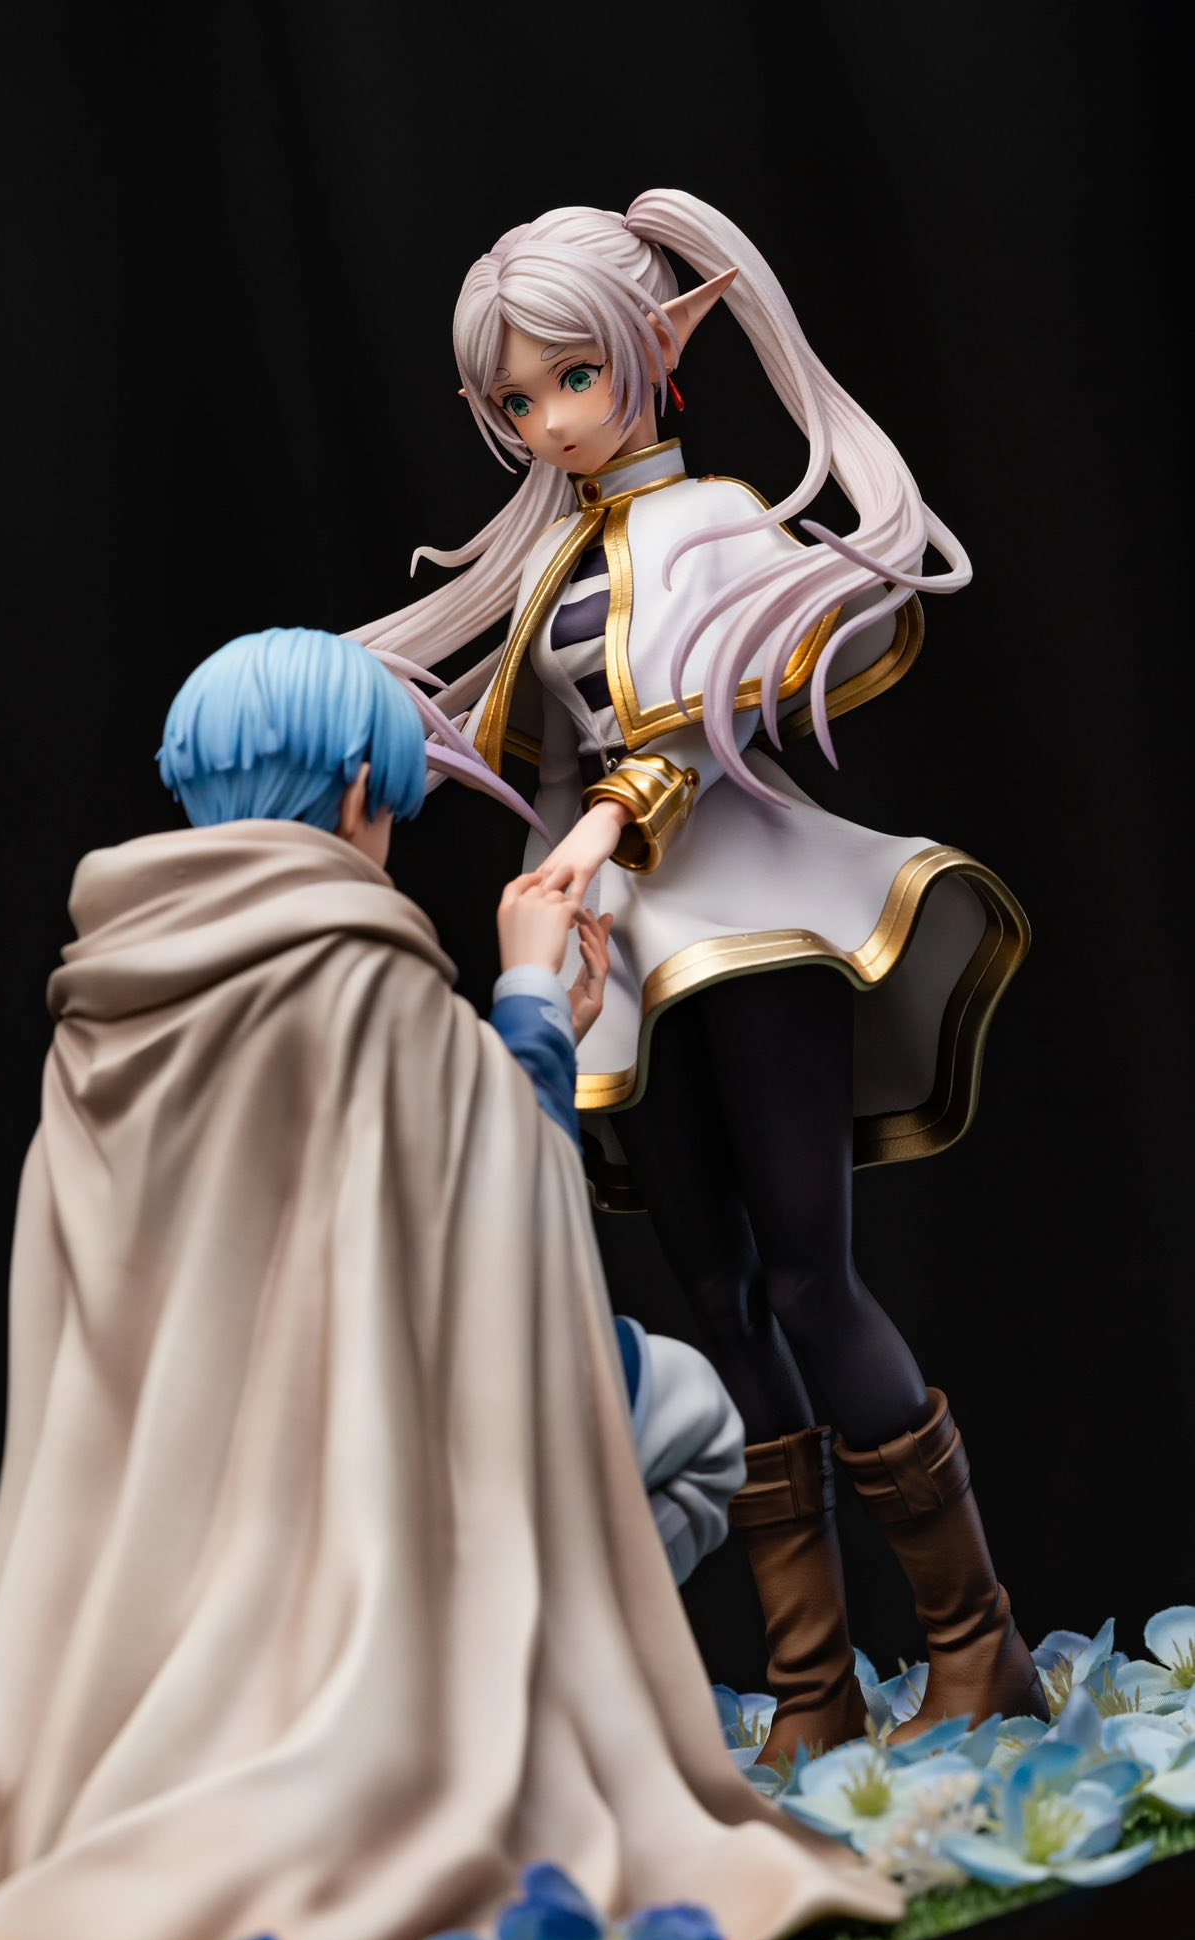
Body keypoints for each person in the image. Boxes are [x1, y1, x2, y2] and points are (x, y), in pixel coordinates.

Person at [0, 628, 892, 1940]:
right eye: (389, 802)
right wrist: (532, 996)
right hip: (376, 1471)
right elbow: (500, 1217)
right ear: (352, 791)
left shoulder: (108, 998)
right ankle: (501, 1700)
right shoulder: (349, 967)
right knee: (689, 1420)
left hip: (173, 1513)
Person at [346, 191, 1047, 1763]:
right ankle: (811, 1686)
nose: (548, 422)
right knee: (713, 1293)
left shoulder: (717, 523)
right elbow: (542, 757)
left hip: (749, 927)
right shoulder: (553, 560)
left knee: (806, 1275)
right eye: (514, 401)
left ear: (652, 353)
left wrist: (604, 827)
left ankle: (973, 1644)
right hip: (625, 953)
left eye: (570, 380)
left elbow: (701, 727)